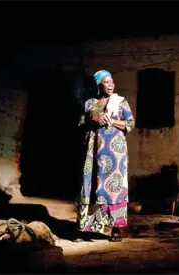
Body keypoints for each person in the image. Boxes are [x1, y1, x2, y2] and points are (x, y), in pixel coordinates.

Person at [75, 69, 135, 242]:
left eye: (112, 82)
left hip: (115, 154)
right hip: (92, 152)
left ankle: (116, 229)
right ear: (98, 84)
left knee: (115, 189)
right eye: (107, 82)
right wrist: (93, 118)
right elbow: (80, 123)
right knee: (91, 187)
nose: (111, 84)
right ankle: (86, 228)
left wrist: (111, 120)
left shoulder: (120, 102)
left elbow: (130, 123)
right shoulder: (90, 104)